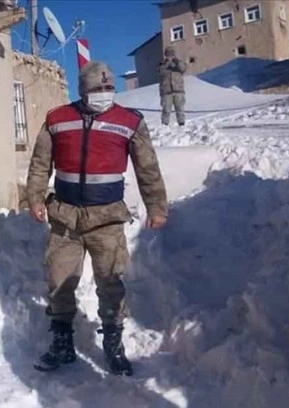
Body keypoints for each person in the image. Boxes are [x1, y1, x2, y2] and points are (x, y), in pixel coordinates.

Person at [26, 61, 169, 376]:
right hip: (65, 217)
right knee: (58, 281)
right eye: (96, 89)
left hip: (107, 219)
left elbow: (148, 167)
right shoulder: (57, 118)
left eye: (107, 88)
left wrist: (156, 206)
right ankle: (62, 344)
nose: (103, 94)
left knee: (110, 282)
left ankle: (113, 344)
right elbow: (40, 163)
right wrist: (34, 197)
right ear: (82, 90)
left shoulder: (129, 121)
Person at [159, 45, 187, 126]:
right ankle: (164, 125)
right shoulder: (162, 64)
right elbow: (160, 72)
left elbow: (183, 69)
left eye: (172, 53)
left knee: (180, 109)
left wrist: (176, 62)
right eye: (168, 53)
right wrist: (166, 64)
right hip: (166, 91)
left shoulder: (179, 63)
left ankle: (181, 124)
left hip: (178, 90)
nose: (170, 55)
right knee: (166, 110)